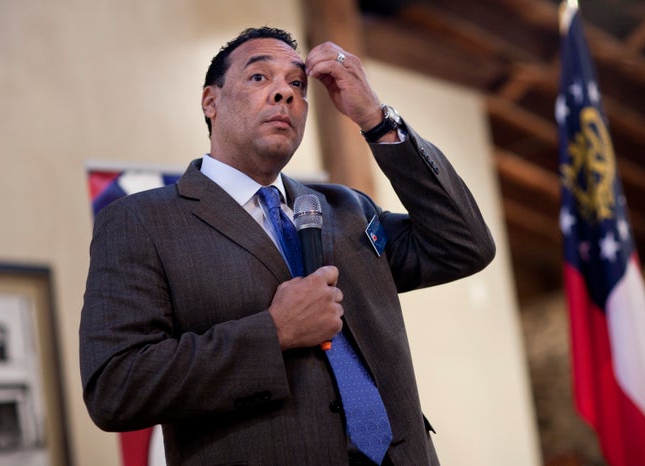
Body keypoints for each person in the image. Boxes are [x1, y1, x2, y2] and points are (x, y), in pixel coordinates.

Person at [79, 26, 495, 466]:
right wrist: (273, 332)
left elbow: (464, 245)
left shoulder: (346, 207)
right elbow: (115, 387)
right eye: (259, 77)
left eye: (297, 84)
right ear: (210, 101)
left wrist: (376, 119)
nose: (284, 94)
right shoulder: (142, 221)